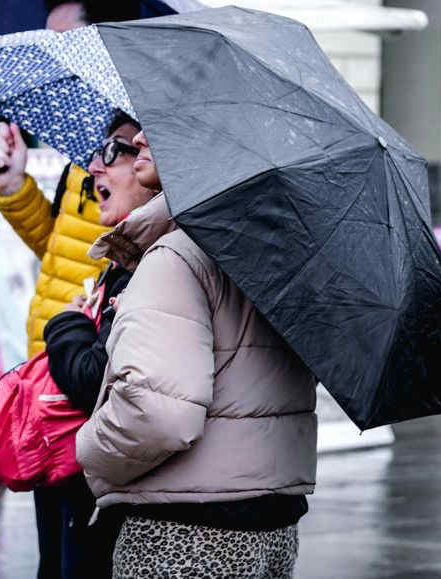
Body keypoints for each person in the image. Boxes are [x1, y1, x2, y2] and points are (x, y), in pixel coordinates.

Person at [76, 130, 318, 579]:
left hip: (184, 534)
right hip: (274, 524)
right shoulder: (282, 250)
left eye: (156, 120)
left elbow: (157, 416)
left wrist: (87, 450)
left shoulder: (177, 256)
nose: (141, 136)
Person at [0, 0, 142, 579]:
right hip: (54, 367)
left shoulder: (139, 149)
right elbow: (58, 243)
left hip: (91, 374)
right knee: (56, 556)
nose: (52, 51)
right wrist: (13, 187)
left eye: (65, 38)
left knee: (82, 557)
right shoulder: (90, 147)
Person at [36, 114, 156, 578]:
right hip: (74, 453)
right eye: (95, 152)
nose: (96, 168)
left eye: (116, 150)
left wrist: (66, 325)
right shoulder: (126, 256)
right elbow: (52, 246)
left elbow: (96, 379)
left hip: (102, 469)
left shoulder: (155, 266)